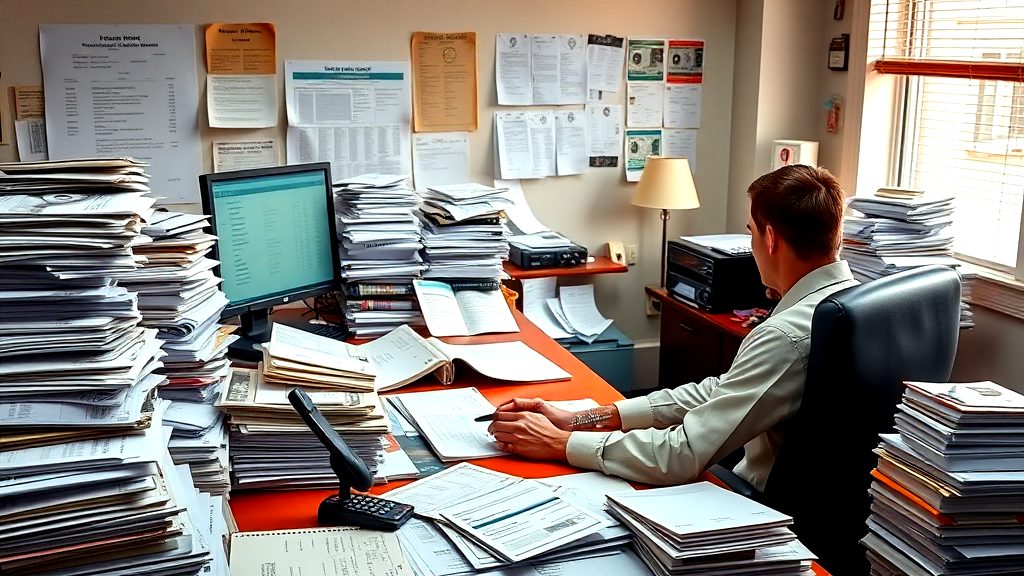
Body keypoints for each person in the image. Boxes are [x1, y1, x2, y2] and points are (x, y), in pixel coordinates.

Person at [489, 164, 858, 490]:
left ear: (771, 238)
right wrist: (583, 419)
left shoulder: (786, 337)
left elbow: (679, 456)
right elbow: (722, 390)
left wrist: (558, 443)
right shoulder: (852, 303)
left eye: (751, 233)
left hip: (759, 506)